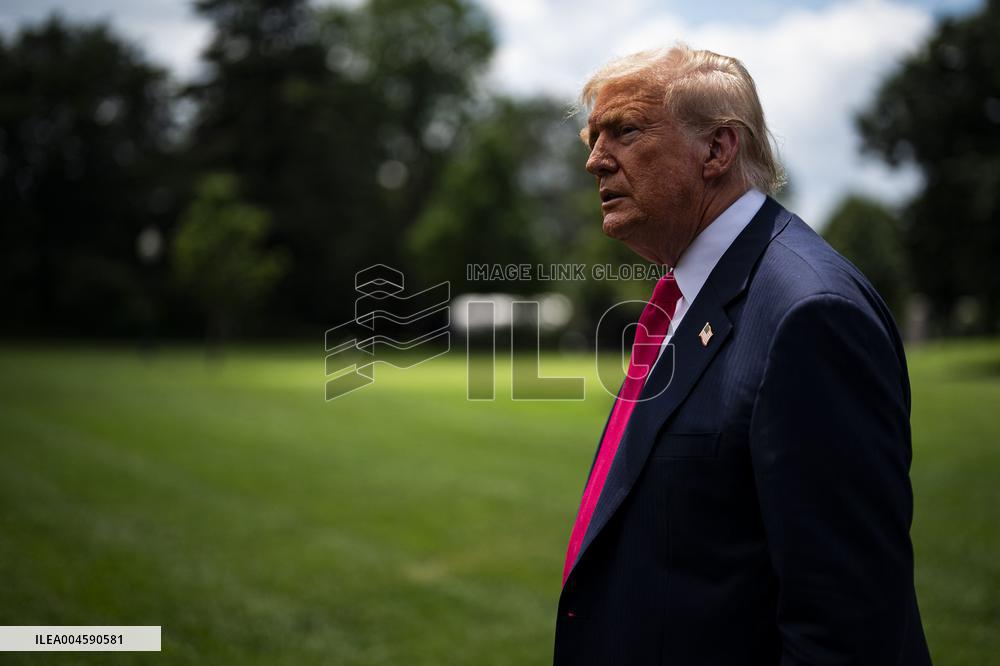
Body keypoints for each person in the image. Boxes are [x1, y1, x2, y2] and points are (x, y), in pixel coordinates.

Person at [555, 44, 932, 666]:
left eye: (624, 131)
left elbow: (849, 627)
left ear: (717, 149)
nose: (596, 160)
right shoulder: (684, 293)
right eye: (593, 138)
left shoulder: (811, 316)